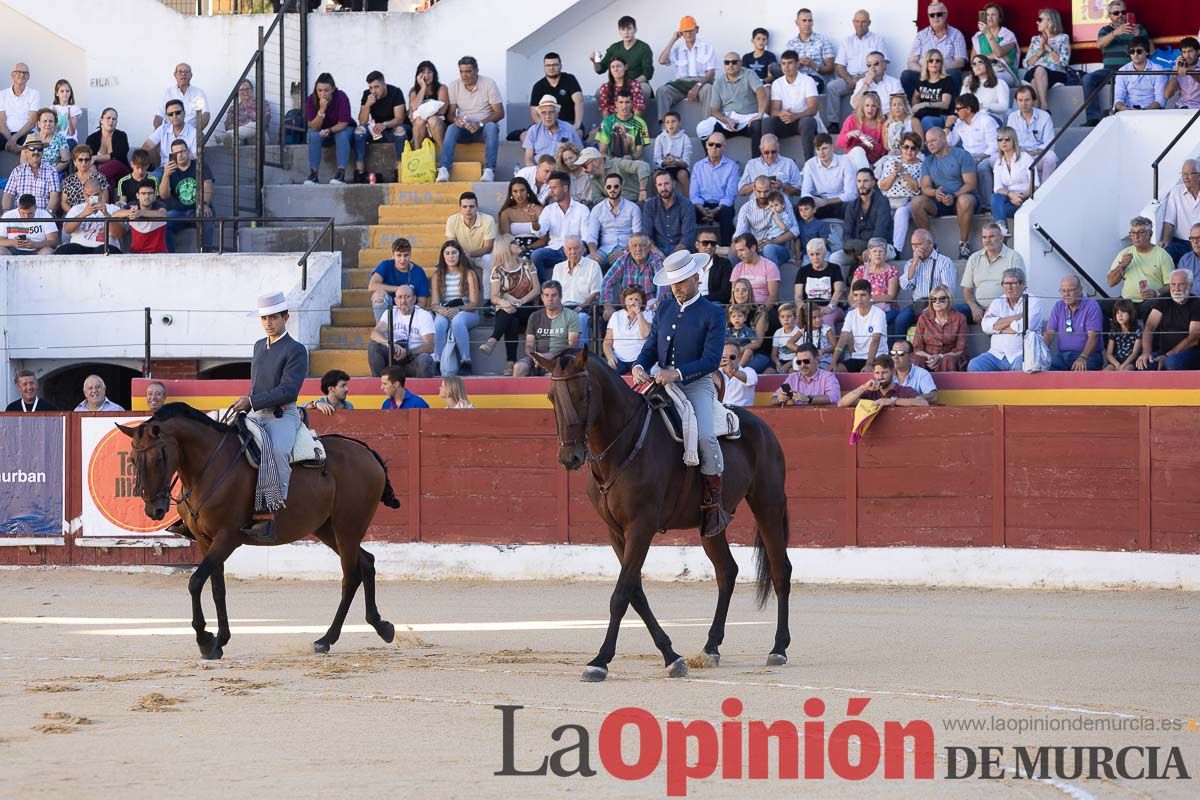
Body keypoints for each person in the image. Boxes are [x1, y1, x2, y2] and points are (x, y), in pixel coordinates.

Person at [632, 250, 730, 537]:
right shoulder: (663, 309)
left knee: (705, 436)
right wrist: (639, 364)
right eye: (673, 282)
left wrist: (676, 374)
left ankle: (714, 503)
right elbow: (651, 347)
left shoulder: (713, 312)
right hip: (661, 381)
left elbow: (711, 360)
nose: (677, 287)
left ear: (696, 277)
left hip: (695, 382)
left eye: (682, 281)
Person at [229, 290, 308, 541]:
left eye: (273, 317)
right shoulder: (257, 346)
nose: (268, 323)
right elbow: (257, 385)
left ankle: (273, 510)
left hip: (282, 414)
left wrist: (250, 401)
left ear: (286, 317)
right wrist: (250, 403)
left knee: (278, 451)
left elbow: (288, 390)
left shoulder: (296, 349)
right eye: (264, 319)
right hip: (255, 412)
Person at [911, 126, 978, 260]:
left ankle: (964, 245)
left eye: (932, 141)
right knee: (916, 202)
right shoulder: (928, 161)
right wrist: (935, 192)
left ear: (943, 138)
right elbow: (925, 187)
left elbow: (971, 184)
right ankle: (929, 246)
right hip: (940, 201)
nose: (929, 144)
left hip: (961, 198)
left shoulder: (962, 155)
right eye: (927, 142)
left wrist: (954, 195)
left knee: (965, 200)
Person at [480, 235, 540, 375]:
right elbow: (494, 297)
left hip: (528, 307)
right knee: (511, 319)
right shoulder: (497, 270)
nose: (518, 243)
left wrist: (521, 301)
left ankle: (493, 341)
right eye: (514, 242)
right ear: (506, 248)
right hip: (510, 309)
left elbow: (537, 289)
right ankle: (511, 362)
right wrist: (504, 302)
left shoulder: (527, 264)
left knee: (507, 311)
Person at [437, 57, 503, 183]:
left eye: (468, 71)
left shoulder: (489, 84)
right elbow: (450, 115)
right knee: (451, 128)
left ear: (476, 71)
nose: (464, 75)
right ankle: (444, 168)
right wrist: (456, 120)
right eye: (461, 72)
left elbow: (500, 113)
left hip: (483, 128)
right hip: (464, 128)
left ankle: (489, 170)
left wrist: (480, 123)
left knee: (492, 127)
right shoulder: (455, 85)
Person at [1084, 3, 1151, 125]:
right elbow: (1099, 45)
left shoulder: (1138, 29)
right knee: (1088, 78)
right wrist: (1115, 33)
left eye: (1123, 12)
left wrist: (1138, 35)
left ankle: (1119, 113)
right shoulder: (1105, 30)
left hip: (1131, 70)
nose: (1120, 15)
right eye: (1116, 13)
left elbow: (1151, 50)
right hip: (1110, 71)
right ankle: (1092, 119)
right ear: (1109, 16)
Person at [968, 267, 1042, 372]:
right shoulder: (998, 302)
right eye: (1005, 284)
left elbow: (1025, 327)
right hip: (996, 354)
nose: (1009, 287)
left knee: (1022, 366)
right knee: (974, 365)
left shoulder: (1033, 301)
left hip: (1022, 353)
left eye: (1013, 283)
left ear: (1023, 284)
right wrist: (1016, 317)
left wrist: (998, 326)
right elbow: (985, 326)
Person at [894, 228, 961, 337]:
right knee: (900, 320)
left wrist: (933, 306)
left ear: (930, 244)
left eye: (919, 244)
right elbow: (905, 285)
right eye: (913, 245)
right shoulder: (910, 263)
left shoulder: (944, 261)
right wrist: (915, 263)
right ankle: (900, 351)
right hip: (918, 305)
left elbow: (948, 289)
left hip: (939, 303)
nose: (915, 249)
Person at [826, 10, 889, 126]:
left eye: (863, 22)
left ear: (869, 23)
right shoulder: (847, 41)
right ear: (853, 22)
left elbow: (882, 63)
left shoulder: (878, 40)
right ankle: (833, 123)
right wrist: (849, 79)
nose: (860, 25)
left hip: (870, 79)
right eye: (857, 21)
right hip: (849, 79)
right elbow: (839, 66)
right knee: (832, 87)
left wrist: (862, 78)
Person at [703, 51, 769, 158]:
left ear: (740, 63)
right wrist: (726, 120)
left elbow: (761, 92)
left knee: (759, 124)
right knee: (704, 129)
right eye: (727, 62)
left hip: (748, 118)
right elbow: (714, 110)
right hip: (728, 120)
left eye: (734, 62)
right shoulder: (718, 82)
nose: (730, 65)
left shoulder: (749, 74)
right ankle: (710, 162)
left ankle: (756, 162)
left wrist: (760, 113)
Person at [430, 240, 482, 376]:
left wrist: (458, 309)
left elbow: (474, 303)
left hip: (467, 312)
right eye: (447, 253)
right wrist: (440, 310)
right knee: (439, 322)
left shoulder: (469, 273)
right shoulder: (437, 275)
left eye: (454, 253)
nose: (451, 256)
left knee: (457, 320)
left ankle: (466, 361)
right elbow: (434, 304)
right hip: (446, 310)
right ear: (443, 256)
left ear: (460, 255)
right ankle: (437, 361)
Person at [656, 16, 717, 125]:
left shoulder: (707, 47)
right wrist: (673, 40)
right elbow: (662, 60)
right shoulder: (677, 49)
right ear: (681, 33)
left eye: (690, 30)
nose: (688, 34)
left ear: (697, 30)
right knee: (662, 91)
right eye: (685, 31)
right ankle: (665, 127)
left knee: (709, 89)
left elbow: (711, 72)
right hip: (680, 84)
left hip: (701, 83)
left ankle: (707, 126)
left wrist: (697, 85)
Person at [367, 284, 437, 378]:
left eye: (407, 297)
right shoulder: (390, 312)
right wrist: (390, 344)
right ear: (395, 300)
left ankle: (422, 391)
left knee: (425, 359)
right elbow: (375, 333)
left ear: (414, 299)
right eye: (400, 297)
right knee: (373, 346)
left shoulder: (424, 315)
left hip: (413, 358)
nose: (403, 301)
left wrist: (408, 352)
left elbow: (429, 346)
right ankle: (380, 386)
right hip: (394, 357)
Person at [530, 171, 589, 281]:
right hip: (554, 250)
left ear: (565, 188)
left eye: (554, 188)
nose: (551, 192)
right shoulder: (548, 209)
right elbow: (540, 232)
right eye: (550, 188)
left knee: (580, 252)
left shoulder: (582, 209)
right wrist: (534, 221)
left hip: (574, 250)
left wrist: (576, 249)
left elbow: (586, 237)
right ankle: (546, 290)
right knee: (536, 256)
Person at [962, 222, 1026, 323]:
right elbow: (967, 290)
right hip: (978, 308)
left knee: (994, 322)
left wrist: (994, 307)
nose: (987, 240)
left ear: (1001, 238)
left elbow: (1017, 288)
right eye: (984, 237)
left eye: (991, 236)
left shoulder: (1014, 257)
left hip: (1004, 307)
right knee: (954, 313)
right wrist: (973, 306)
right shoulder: (974, 258)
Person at [514, 281, 581, 377]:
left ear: (561, 297)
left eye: (554, 295)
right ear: (542, 297)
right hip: (537, 359)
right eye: (546, 295)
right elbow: (529, 345)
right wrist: (536, 357)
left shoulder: (571, 316)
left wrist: (552, 355)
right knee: (519, 368)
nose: (550, 299)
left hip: (560, 359)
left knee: (551, 376)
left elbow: (572, 345)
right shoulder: (535, 316)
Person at [1136, 269, 1200, 370]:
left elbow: (1193, 339)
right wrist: (1146, 352)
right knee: (1144, 364)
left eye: (1181, 284)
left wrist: (1167, 356)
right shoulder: (1164, 300)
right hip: (1164, 352)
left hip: (1190, 352)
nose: (1176, 289)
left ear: (1190, 286)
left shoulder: (1197, 304)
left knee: (1171, 363)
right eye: (1173, 284)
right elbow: (1149, 326)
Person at [902, 2, 968, 100]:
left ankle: (950, 112)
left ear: (946, 15)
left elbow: (960, 61)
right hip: (924, 74)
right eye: (932, 15)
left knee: (954, 74)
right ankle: (912, 110)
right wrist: (926, 70)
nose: (935, 17)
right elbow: (911, 62)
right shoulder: (921, 35)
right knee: (907, 75)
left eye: (939, 14)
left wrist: (939, 69)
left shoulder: (956, 34)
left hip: (945, 74)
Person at [1107, 215, 1174, 311]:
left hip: (1150, 301)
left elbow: (1171, 284)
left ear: (1150, 234)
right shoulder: (1125, 253)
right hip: (1127, 301)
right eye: (1133, 233)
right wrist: (1122, 265)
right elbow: (1110, 282)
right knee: (1101, 305)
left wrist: (1156, 293)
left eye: (1140, 232)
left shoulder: (1162, 255)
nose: (1136, 236)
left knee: (1153, 304)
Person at [766, 50, 820, 164]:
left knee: (806, 122)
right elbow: (773, 111)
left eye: (790, 63)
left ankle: (809, 164)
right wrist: (782, 113)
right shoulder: (777, 83)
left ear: (797, 64)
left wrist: (796, 116)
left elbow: (813, 109)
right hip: (786, 121)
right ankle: (770, 163)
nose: (786, 67)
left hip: (803, 120)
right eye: (783, 63)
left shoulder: (808, 81)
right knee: (768, 122)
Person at [833, 168, 893, 268]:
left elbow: (880, 231)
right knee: (834, 258)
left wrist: (869, 249)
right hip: (857, 250)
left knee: (872, 256)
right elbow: (846, 234)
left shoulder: (882, 202)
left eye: (866, 181)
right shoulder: (852, 206)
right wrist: (857, 251)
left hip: (882, 247)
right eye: (859, 181)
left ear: (873, 182)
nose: (862, 184)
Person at [160, 139, 215, 250]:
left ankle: (207, 254)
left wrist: (204, 203)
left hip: (198, 209)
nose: (180, 155)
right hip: (179, 212)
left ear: (188, 151)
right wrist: (165, 175)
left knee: (207, 216)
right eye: (176, 153)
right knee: (162, 223)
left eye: (182, 151)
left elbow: (208, 185)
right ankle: (170, 257)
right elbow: (164, 195)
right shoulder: (170, 170)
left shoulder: (199, 165)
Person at [353, 71, 406, 183]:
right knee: (359, 131)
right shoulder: (367, 95)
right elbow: (362, 122)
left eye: (376, 87)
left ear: (384, 85)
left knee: (400, 131)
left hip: (392, 128)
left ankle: (399, 170)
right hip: (376, 130)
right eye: (371, 87)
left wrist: (384, 125)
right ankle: (360, 171)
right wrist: (367, 105)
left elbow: (399, 118)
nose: (373, 91)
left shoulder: (395, 92)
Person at [946, 93, 998, 208]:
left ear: (968, 109)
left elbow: (994, 146)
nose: (956, 111)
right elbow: (950, 143)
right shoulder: (959, 123)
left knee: (982, 167)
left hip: (987, 156)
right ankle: (956, 203)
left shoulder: (986, 121)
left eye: (958, 108)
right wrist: (947, 127)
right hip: (968, 157)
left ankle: (987, 205)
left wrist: (979, 158)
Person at [733, 176, 798, 267]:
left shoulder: (781, 201)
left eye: (766, 191)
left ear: (771, 189)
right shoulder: (746, 208)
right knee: (733, 251)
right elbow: (739, 234)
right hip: (755, 248)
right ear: (754, 189)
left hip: (778, 247)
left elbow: (795, 230)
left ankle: (773, 279)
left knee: (768, 249)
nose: (762, 195)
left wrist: (773, 241)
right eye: (759, 191)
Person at [876, 131, 924, 253]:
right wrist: (895, 173)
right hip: (888, 200)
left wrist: (904, 172)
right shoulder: (891, 161)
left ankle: (897, 250)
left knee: (901, 213)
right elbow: (883, 186)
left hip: (908, 201)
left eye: (913, 148)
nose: (909, 151)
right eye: (906, 147)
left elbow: (916, 189)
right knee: (881, 211)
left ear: (918, 150)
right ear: (901, 147)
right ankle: (877, 248)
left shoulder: (922, 165)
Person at [1043, 275, 1104, 371]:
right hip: (1062, 356)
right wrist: (1040, 354)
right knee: (1044, 367)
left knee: (1080, 369)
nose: (1066, 294)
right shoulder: (1059, 306)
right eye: (1063, 291)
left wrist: (1083, 357)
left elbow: (1094, 336)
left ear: (1080, 290)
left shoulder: (1091, 306)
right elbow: (1049, 333)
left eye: (1070, 290)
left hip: (1088, 356)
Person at [591, 15, 656, 101]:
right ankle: (610, 115)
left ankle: (638, 115)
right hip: (617, 84)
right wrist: (595, 62)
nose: (626, 32)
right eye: (623, 29)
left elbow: (648, 73)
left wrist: (631, 84)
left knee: (644, 90)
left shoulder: (644, 48)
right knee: (599, 93)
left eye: (629, 29)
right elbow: (600, 69)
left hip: (638, 83)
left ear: (635, 30)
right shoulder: (614, 48)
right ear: (619, 32)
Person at [304, 73, 353, 185]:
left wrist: (329, 130)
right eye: (319, 90)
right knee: (312, 134)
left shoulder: (341, 97)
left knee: (341, 134)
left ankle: (341, 173)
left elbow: (343, 123)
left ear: (333, 89)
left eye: (326, 90)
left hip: (343, 130)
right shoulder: (311, 99)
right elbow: (313, 126)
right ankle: (313, 174)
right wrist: (322, 110)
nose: (322, 94)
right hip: (323, 132)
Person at [689, 132, 738, 245]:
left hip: (721, 206)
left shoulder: (732, 167)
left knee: (727, 212)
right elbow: (694, 195)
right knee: (688, 211)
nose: (714, 148)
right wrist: (702, 209)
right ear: (706, 145)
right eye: (711, 144)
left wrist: (715, 210)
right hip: (702, 205)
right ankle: (689, 248)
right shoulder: (698, 166)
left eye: (718, 145)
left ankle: (726, 249)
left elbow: (730, 195)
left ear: (724, 148)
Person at [551, 236, 602, 344]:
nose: (573, 252)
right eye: (569, 249)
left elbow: (595, 293)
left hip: (584, 308)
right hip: (562, 308)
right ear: (564, 251)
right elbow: (554, 293)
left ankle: (579, 358)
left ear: (583, 249)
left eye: (576, 248)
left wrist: (579, 308)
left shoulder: (593, 265)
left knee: (580, 319)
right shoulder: (558, 267)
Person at [586, 173, 642, 269]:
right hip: (604, 250)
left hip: (626, 249)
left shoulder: (633, 208)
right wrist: (593, 253)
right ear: (605, 189)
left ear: (622, 187)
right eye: (609, 187)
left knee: (622, 261)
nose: (612, 190)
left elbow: (637, 235)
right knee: (587, 264)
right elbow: (592, 236)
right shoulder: (597, 209)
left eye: (616, 186)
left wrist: (624, 252)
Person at [369, 237, 431, 322]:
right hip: (390, 308)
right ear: (392, 255)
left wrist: (407, 309)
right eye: (399, 255)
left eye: (406, 255)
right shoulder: (386, 265)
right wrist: (399, 289)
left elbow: (422, 303)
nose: (402, 260)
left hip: (410, 309)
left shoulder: (418, 272)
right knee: (379, 295)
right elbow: (372, 286)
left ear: (410, 255)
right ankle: (383, 332)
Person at [57, 180, 125, 255]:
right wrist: (83, 214)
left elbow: (120, 233)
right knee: (65, 250)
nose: (92, 198)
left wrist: (106, 214)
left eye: (96, 195)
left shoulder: (113, 209)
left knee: (103, 249)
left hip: (104, 246)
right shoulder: (76, 209)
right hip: (79, 246)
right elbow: (67, 230)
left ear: (102, 192)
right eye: (88, 196)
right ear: (83, 194)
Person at [832, 278, 887, 372]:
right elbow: (842, 340)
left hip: (877, 357)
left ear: (870, 296)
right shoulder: (851, 314)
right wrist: (833, 363)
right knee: (836, 370)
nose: (859, 299)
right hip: (857, 357)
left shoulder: (879, 313)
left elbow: (875, 340)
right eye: (856, 295)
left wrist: (869, 364)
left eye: (863, 295)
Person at [1007, 86, 1057, 185]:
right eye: (1020, 100)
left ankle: (1045, 188)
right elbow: (1009, 141)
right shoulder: (1012, 117)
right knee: (993, 159)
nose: (1023, 104)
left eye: (1027, 100)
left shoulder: (1044, 116)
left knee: (1051, 157)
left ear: (1034, 100)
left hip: (1037, 155)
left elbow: (1050, 144)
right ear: (1016, 101)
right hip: (1019, 155)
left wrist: (1035, 151)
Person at [1023, 10, 1071, 111]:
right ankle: (1044, 107)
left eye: (1040, 20)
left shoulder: (1063, 38)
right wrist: (1040, 52)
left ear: (1050, 22)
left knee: (1035, 80)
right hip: (1034, 71)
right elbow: (1026, 63)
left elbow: (1064, 62)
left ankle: (1037, 108)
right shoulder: (1035, 39)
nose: (1037, 22)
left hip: (1055, 73)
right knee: (1038, 70)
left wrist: (1048, 48)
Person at [913, 283, 969, 371]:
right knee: (917, 360)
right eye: (934, 299)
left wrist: (940, 357)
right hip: (928, 357)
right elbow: (917, 347)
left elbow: (960, 349)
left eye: (942, 299)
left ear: (949, 299)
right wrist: (929, 357)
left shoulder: (960, 318)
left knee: (947, 361)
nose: (937, 302)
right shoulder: (924, 318)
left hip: (949, 357)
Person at [991, 125, 1035, 235]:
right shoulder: (998, 163)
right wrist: (1011, 194)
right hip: (1010, 200)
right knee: (996, 197)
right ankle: (1002, 228)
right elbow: (997, 188)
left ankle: (1001, 231)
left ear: (1013, 140)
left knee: (998, 209)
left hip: (1025, 198)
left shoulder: (1025, 158)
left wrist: (1020, 197)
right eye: (1000, 139)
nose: (1003, 142)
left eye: (1007, 139)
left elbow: (1035, 185)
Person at [838, 355, 928, 407]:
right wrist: (864, 387)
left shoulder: (904, 391)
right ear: (873, 373)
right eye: (877, 373)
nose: (880, 376)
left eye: (884, 372)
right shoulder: (870, 393)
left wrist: (892, 401)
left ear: (893, 372)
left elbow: (923, 403)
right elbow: (841, 403)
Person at [801, 134, 856, 220]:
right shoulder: (810, 164)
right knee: (798, 209)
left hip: (839, 201)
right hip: (818, 202)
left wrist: (827, 202)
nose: (821, 153)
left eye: (824, 148)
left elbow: (851, 194)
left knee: (851, 208)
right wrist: (814, 201)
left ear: (832, 147)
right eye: (818, 149)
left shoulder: (845, 162)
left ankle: (850, 233)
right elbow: (805, 192)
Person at [643, 169, 697, 256]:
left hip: (681, 250)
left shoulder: (686, 204)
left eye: (667, 184)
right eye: (660, 185)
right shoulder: (650, 205)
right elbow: (647, 235)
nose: (663, 188)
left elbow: (688, 236)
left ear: (674, 184)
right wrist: (658, 254)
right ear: (656, 186)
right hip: (658, 250)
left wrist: (673, 257)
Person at [795, 238, 845, 330]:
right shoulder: (803, 271)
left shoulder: (835, 268)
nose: (815, 257)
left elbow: (839, 291)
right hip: (809, 308)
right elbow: (798, 296)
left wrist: (830, 307)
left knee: (825, 321)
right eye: (812, 254)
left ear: (824, 253)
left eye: (818, 254)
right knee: (796, 323)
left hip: (831, 308)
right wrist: (803, 308)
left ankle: (830, 344)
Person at [783, 8, 836, 93]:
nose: (807, 24)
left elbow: (830, 68)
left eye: (810, 20)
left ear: (813, 22)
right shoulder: (790, 44)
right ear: (797, 23)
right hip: (795, 78)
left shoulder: (822, 41)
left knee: (808, 86)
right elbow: (784, 66)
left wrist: (814, 65)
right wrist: (796, 65)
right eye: (804, 20)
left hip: (815, 79)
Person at [770, 343, 840, 406]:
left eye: (806, 361)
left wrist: (808, 399)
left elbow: (834, 397)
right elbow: (773, 399)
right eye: (799, 362)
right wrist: (779, 399)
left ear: (816, 359)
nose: (802, 365)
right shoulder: (793, 377)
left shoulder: (828, 376)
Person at [529, 52, 583, 131]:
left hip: (569, 123)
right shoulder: (538, 86)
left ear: (561, 66)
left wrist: (577, 124)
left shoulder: (570, 79)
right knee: (525, 136)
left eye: (555, 65)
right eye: (548, 65)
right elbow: (534, 113)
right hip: (545, 125)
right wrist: (546, 128)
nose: (551, 68)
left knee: (575, 137)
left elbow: (579, 101)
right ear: (544, 67)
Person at [604, 285, 653, 374]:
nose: (633, 302)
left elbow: (646, 334)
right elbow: (607, 343)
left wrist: (638, 313)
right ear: (625, 301)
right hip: (618, 359)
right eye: (630, 299)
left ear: (642, 301)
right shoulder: (616, 316)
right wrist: (610, 357)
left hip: (639, 358)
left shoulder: (648, 314)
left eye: (637, 299)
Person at [852, 238, 900, 327]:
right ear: (869, 255)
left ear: (885, 254)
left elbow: (891, 296)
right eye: (874, 251)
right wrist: (853, 304)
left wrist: (870, 300)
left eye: (881, 251)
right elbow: (852, 291)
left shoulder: (891, 271)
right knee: (851, 318)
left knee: (875, 323)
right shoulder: (861, 270)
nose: (878, 254)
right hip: (863, 306)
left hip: (886, 308)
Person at [3, 140, 61, 213]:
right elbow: (7, 195)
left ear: (42, 152)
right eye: (32, 149)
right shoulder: (17, 171)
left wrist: (47, 214)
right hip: (21, 216)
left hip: (43, 215)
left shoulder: (51, 171)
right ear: (26, 152)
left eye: (39, 149)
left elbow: (54, 196)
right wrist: (6, 213)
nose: (36, 152)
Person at [445, 191, 496, 273]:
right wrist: (463, 255)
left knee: (488, 260)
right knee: (442, 263)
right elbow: (452, 245)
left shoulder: (488, 220)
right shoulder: (452, 220)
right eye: (464, 207)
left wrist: (470, 254)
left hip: (480, 256)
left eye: (471, 206)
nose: (468, 209)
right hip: (460, 256)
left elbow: (488, 247)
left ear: (477, 207)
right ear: (460, 208)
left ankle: (486, 286)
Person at [1160, 160, 1200, 264]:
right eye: (1183, 174)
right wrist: (1165, 240)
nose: (1185, 178)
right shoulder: (1176, 192)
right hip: (1182, 242)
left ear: (1199, 175)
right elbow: (1169, 220)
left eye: (1190, 174)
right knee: (1164, 255)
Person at [737, 133, 802, 197]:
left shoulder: (789, 163)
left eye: (774, 152)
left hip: (781, 206)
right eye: (766, 152)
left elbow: (799, 192)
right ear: (761, 150)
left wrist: (782, 186)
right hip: (757, 207)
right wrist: (757, 184)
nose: (770, 156)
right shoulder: (751, 164)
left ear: (778, 148)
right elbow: (741, 191)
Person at [114, 180, 169, 254]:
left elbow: (163, 214)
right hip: (135, 253)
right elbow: (115, 214)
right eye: (143, 193)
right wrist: (130, 212)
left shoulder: (158, 204)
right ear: (137, 195)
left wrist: (140, 213)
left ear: (154, 196)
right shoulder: (133, 204)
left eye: (150, 193)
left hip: (159, 253)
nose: (147, 196)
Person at [1114, 37, 1167, 113]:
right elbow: (1118, 98)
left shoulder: (1158, 69)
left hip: (1152, 112)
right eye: (1132, 51)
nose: (1135, 54)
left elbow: (1160, 100)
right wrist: (1124, 108)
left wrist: (1143, 111)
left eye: (1139, 51)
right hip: (1127, 112)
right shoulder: (1122, 71)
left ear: (1147, 52)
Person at [836, 91, 887, 170]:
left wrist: (874, 143)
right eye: (867, 105)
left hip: (874, 161)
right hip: (853, 158)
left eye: (873, 106)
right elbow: (838, 143)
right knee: (858, 150)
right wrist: (849, 135)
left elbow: (884, 152)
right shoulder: (852, 119)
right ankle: (866, 176)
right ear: (862, 107)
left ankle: (867, 176)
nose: (870, 109)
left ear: (878, 108)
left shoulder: (882, 123)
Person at [971, 3, 1019, 87]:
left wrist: (987, 33)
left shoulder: (1008, 35)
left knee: (992, 78)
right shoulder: (978, 37)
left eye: (993, 15)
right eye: (987, 14)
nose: (989, 18)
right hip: (984, 72)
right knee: (968, 82)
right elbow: (973, 60)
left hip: (1005, 73)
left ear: (999, 18)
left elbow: (998, 53)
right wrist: (989, 58)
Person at [524, 96, 582, 165]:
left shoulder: (569, 129)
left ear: (557, 114)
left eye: (551, 112)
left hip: (564, 171)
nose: (547, 116)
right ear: (540, 115)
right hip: (541, 171)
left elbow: (580, 152)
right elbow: (528, 158)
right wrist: (535, 171)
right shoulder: (533, 130)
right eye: (543, 113)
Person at [142, 99, 197, 171]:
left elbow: (196, 157)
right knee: (152, 181)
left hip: (185, 169)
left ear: (184, 113)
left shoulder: (193, 132)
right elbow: (146, 146)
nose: (174, 116)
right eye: (170, 114)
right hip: (164, 168)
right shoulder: (162, 129)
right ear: (167, 117)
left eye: (178, 112)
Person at [409, 60, 450, 151]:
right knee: (419, 121)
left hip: (439, 127)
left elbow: (442, 110)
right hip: (421, 128)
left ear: (434, 74)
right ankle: (417, 153)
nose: (426, 76)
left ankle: (443, 153)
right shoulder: (414, 91)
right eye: (423, 72)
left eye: (429, 72)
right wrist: (423, 87)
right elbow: (414, 107)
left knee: (432, 120)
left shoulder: (442, 88)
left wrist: (421, 112)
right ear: (418, 76)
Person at [910, 49, 955, 132]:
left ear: (941, 64)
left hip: (940, 115)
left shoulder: (947, 80)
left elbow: (945, 104)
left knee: (926, 121)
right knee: (913, 121)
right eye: (931, 60)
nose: (934, 63)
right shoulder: (922, 80)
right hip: (924, 114)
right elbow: (915, 97)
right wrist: (915, 108)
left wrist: (925, 104)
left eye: (937, 61)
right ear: (926, 63)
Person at [595, 91, 648, 160]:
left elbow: (640, 150)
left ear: (632, 104)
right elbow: (602, 151)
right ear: (616, 104)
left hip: (633, 162)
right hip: (612, 162)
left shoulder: (641, 123)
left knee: (644, 167)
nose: (624, 106)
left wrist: (631, 157)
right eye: (621, 102)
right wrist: (611, 159)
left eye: (627, 102)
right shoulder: (606, 122)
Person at [155, 63, 209, 131]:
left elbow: (205, 114)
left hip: (191, 131)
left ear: (191, 75)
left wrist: (196, 131)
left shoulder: (198, 92)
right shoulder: (168, 92)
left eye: (186, 72)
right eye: (180, 71)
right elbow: (158, 116)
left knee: (201, 138)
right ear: (175, 75)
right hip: (169, 131)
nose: (183, 74)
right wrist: (161, 133)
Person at [730, 233, 781, 304]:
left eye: (741, 250)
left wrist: (762, 312)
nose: (739, 254)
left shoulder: (770, 266)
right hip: (742, 310)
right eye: (737, 251)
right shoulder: (737, 268)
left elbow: (773, 296)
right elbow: (733, 296)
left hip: (763, 308)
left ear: (753, 248)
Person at [87, 108, 131, 188]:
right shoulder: (92, 138)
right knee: (109, 180)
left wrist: (96, 158)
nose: (111, 121)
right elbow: (88, 158)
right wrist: (92, 168)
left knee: (114, 163)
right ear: (101, 120)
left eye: (114, 119)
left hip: (121, 172)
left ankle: (94, 180)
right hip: (104, 174)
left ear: (116, 122)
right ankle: (106, 199)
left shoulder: (121, 136)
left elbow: (118, 155)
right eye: (108, 118)